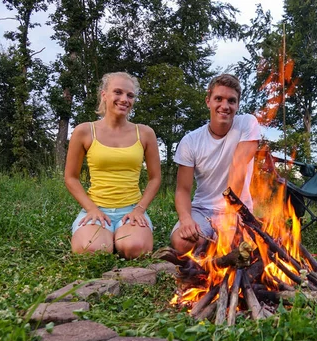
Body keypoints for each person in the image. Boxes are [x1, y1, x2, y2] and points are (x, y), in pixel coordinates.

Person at [64, 71, 161, 259]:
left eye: (130, 95)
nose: (124, 99)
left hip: (131, 209)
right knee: (92, 250)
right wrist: (91, 209)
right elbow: (71, 178)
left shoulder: (145, 133)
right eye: (118, 92)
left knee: (135, 248)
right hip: (96, 209)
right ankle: (104, 236)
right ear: (104, 95)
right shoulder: (84, 131)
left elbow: (155, 178)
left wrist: (139, 209)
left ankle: (122, 236)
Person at [171, 74, 261, 253]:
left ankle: (213, 245)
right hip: (203, 209)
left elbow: (238, 167)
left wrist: (230, 217)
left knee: (243, 248)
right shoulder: (190, 141)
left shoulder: (247, 124)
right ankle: (211, 242)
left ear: (237, 105)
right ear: (208, 101)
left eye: (231, 101)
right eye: (218, 99)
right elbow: (182, 190)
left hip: (237, 209)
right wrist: (186, 219)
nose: (225, 106)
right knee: (181, 242)